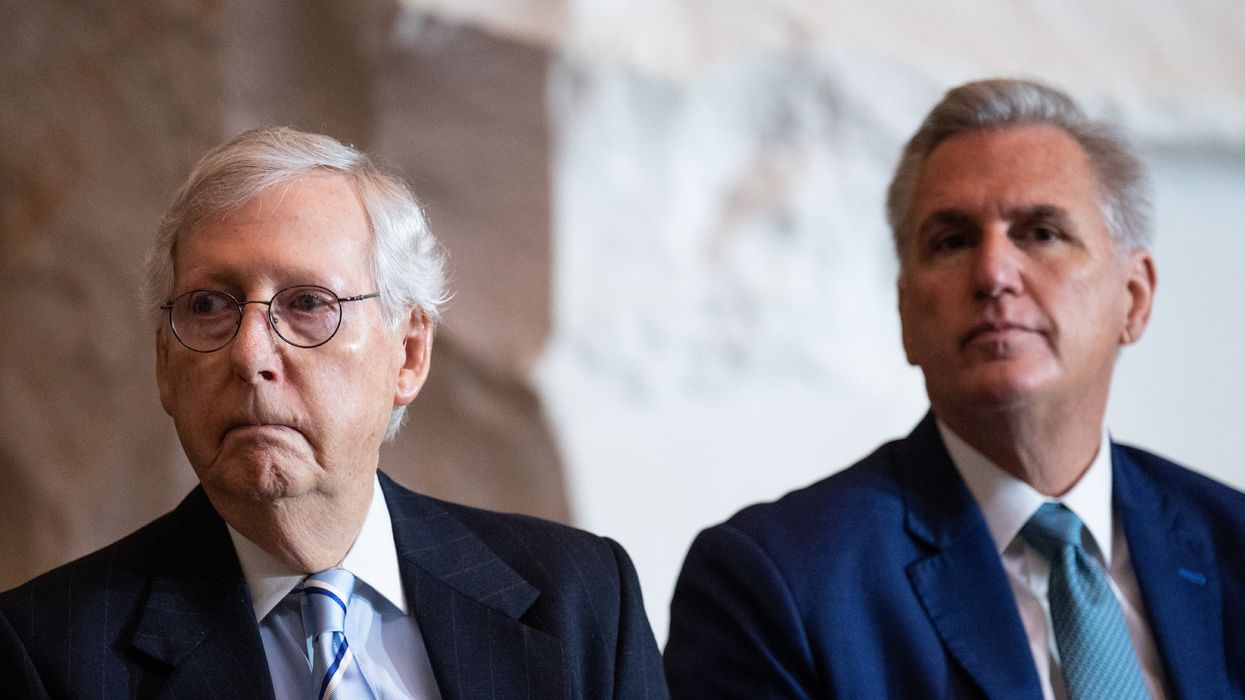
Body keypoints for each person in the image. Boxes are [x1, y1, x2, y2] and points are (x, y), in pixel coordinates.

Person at [0, 127, 669, 699]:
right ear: (164, 367)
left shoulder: (580, 601)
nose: (250, 353)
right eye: (208, 307)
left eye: (308, 304)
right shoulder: (46, 654)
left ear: (407, 354)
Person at [664, 78, 1245, 698]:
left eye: (1041, 233)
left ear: (1134, 297)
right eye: (952, 241)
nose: (993, 272)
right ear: (907, 314)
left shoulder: (1234, 544)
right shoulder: (779, 584)